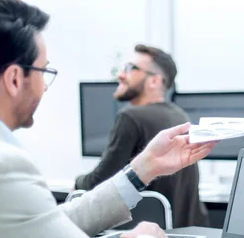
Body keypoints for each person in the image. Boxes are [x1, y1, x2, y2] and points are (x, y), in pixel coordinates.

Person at [0, 0, 215, 238]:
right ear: (15, 79)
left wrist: (141, 169)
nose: (44, 86)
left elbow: (48, 222)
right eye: (44, 71)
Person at [75, 44, 209, 227]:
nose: (120, 75)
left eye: (131, 69)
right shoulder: (180, 116)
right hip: (183, 235)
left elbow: (98, 184)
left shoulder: (131, 117)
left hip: (146, 235)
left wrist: (76, 183)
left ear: (154, 81)